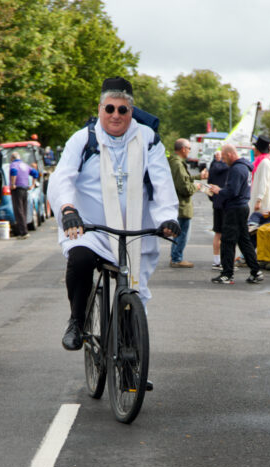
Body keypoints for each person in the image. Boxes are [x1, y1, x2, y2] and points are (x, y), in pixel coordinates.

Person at [47, 76, 180, 351]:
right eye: (110, 109)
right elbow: (63, 178)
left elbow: (162, 182)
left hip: (134, 232)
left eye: (122, 109)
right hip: (90, 228)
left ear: (131, 111)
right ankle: (77, 320)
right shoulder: (83, 139)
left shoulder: (148, 139)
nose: (116, 115)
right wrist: (68, 209)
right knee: (80, 259)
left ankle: (131, 359)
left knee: (135, 295)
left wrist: (168, 217)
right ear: (100, 109)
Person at [209, 144, 263, 285]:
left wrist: (218, 191)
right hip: (242, 207)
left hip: (235, 208)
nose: (224, 161)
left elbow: (233, 191)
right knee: (244, 240)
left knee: (227, 241)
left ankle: (227, 274)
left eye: (225, 157)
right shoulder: (244, 167)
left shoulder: (237, 169)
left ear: (230, 155)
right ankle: (256, 271)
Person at [168, 139, 197, 268]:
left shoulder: (175, 162)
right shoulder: (178, 164)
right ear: (183, 149)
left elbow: (183, 180)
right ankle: (177, 258)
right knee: (182, 233)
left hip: (177, 203)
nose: (190, 151)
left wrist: (195, 179)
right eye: (189, 148)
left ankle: (175, 256)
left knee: (177, 232)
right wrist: (196, 187)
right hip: (182, 205)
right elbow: (184, 187)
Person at [207, 150, 229, 269]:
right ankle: (226, 260)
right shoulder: (229, 168)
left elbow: (209, 185)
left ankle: (216, 260)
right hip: (226, 203)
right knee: (226, 234)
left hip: (217, 203)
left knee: (217, 233)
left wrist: (213, 199)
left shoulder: (212, 168)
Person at [9, 151, 39, 239]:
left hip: (17, 189)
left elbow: (13, 171)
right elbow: (35, 173)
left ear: (12, 158)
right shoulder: (25, 165)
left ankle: (23, 232)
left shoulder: (13, 164)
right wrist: (33, 185)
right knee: (24, 210)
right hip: (25, 189)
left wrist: (13, 184)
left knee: (18, 210)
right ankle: (22, 230)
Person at [247, 135, 270, 228]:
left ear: (258, 149)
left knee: (258, 226)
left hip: (262, 203)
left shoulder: (265, 163)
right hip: (258, 199)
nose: (253, 150)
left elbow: (264, 182)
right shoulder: (260, 161)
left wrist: (259, 200)